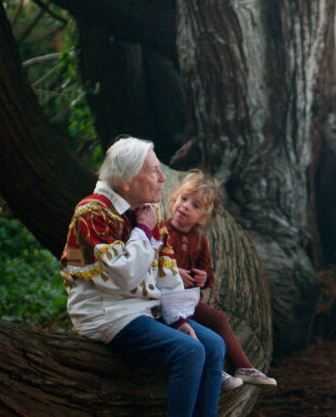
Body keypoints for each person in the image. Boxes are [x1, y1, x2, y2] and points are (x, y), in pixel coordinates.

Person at [60, 137, 225, 417]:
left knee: (214, 345)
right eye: (153, 171)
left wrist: (179, 319)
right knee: (189, 352)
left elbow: (166, 273)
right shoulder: (91, 212)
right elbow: (124, 276)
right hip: (107, 314)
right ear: (127, 180)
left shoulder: (146, 211)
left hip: (142, 310)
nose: (163, 177)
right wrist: (143, 231)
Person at [163, 170, 277, 389]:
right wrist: (173, 271)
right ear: (174, 199)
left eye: (195, 205)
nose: (185, 206)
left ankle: (244, 367)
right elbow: (151, 264)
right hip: (166, 300)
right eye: (183, 199)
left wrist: (203, 277)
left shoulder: (199, 241)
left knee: (219, 319)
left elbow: (208, 275)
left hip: (188, 302)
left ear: (203, 217)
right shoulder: (162, 231)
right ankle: (214, 370)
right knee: (188, 329)